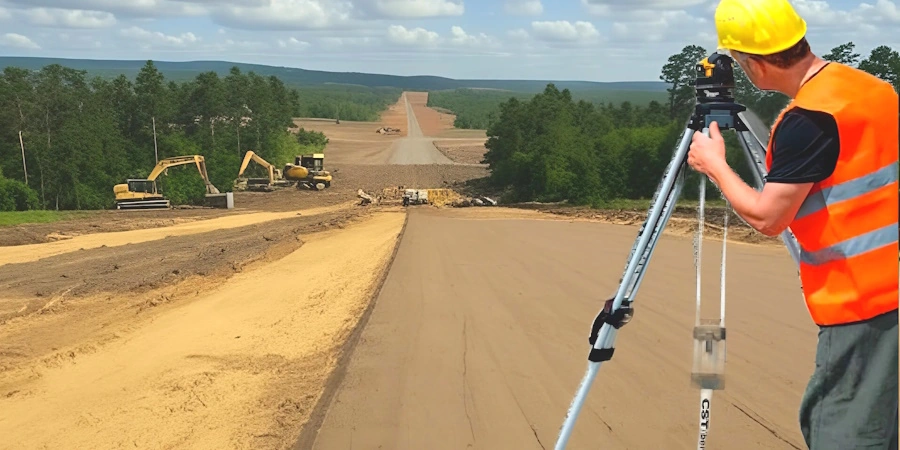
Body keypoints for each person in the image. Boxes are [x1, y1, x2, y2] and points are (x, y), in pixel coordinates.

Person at [687, 0, 899, 448]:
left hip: (859, 302)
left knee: (845, 430)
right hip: (890, 284)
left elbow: (767, 216)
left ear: (755, 65)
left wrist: (716, 167)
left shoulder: (808, 121)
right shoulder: (873, 88)